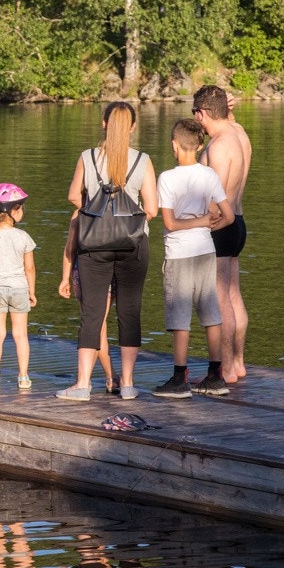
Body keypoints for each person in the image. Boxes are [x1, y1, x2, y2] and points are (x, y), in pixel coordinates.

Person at [58, 102, 158, 401]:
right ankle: (127, 383)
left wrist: (98, 213)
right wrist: (124, 218)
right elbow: (151, 209)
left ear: (103, 124)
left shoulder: (88, 157)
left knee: (92, 312)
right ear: (133, 127)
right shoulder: (142, 160)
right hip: (133, 244)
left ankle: (83, 385)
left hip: (93, 244)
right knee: (129, 311)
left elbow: (74, 196)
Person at [154, 117, 234, 398]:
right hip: (205, 250)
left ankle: (179, 379)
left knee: (180, 317)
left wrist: (198, 221)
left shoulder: (167, 178)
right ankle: (215, 377)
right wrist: (208, 225)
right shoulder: (209, 175)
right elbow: (229, 216)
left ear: (175, 145)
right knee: (211, 313)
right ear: (199, 144)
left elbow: (171, 224)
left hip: (179, 253)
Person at [194, 85, 252, 384]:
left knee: (220, 300)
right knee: (233, 294)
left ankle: (225, 368)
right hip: (238, 224)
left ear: (203, 113)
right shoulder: (239, 133)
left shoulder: (217, 146)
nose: (197, 121)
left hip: (220, 226)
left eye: (197, 115)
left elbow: (214, 198)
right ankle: (238, 364)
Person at [0, 184, 37, 390]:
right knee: (21, 335)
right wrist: (32, 292)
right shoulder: (23, 237)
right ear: (12, 211)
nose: (22, 211)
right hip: (19, 289)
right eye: (20, 207)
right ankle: (24, 378)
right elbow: (29, 269)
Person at [56, 213, 118, 393]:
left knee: (95, 324)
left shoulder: (81, 212)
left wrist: (64, 278)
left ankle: (86, 379)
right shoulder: (116, 207)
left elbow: (70, 248)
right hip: (110, 271)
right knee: (100, 324)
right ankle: (110, 378)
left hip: (85, 271)